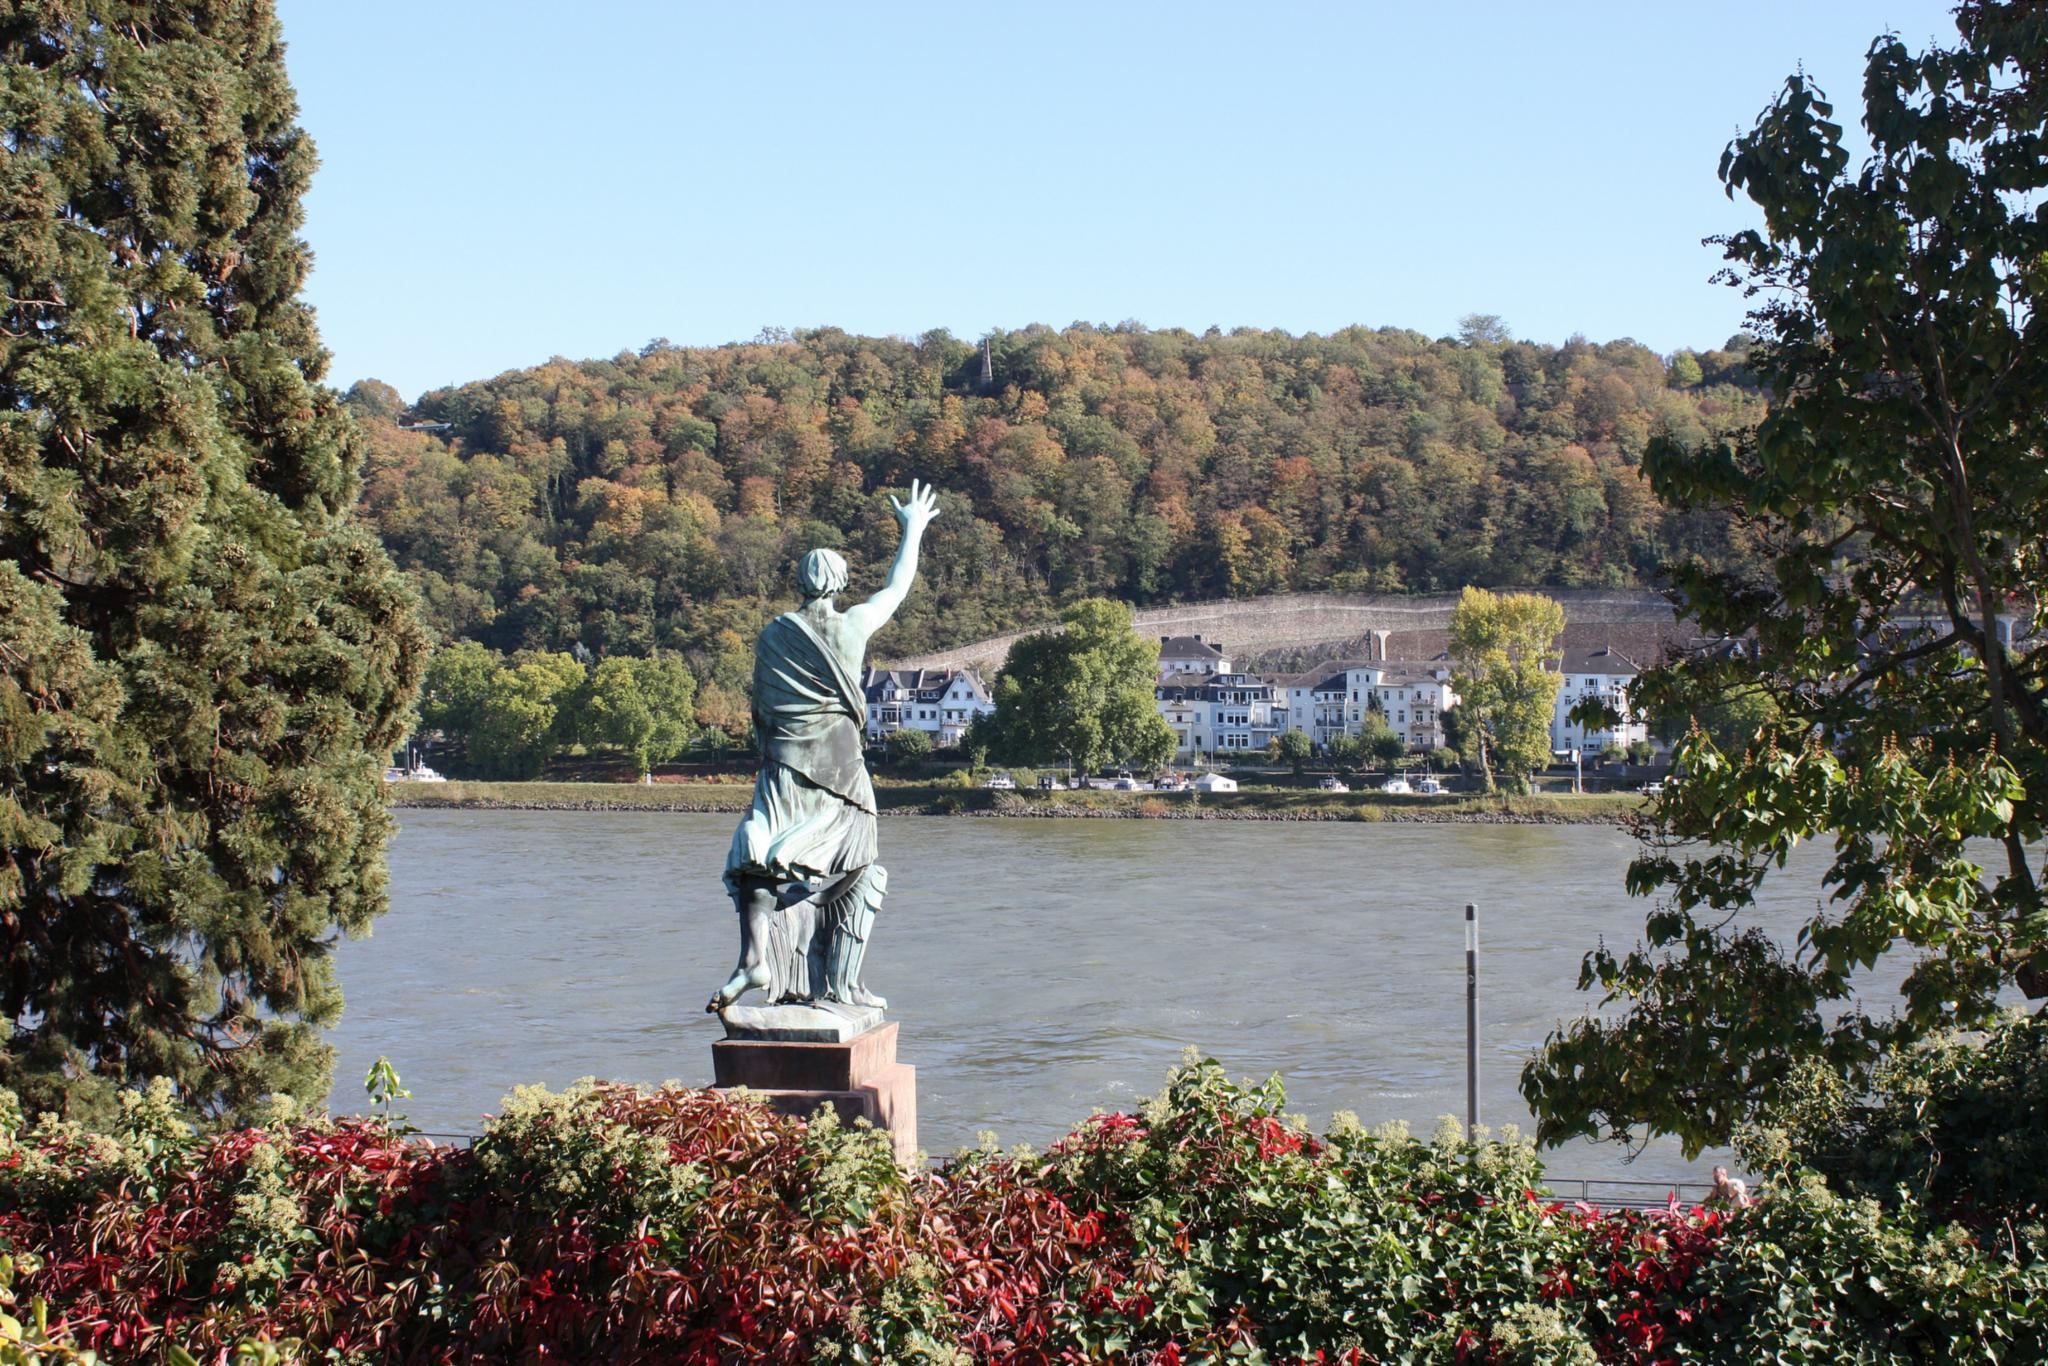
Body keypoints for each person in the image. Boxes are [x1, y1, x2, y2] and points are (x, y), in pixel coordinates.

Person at [706, 480, 940, 1014]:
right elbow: (896, 589)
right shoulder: (853, 624)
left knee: (759, 853)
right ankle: (837, 983)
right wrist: (914, 530)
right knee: (858, 867)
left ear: (800, 582)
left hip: (784, 763)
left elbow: (761, 709)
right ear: (839, 583)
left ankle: (761, 962)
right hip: (840, 766)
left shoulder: (773, 634)